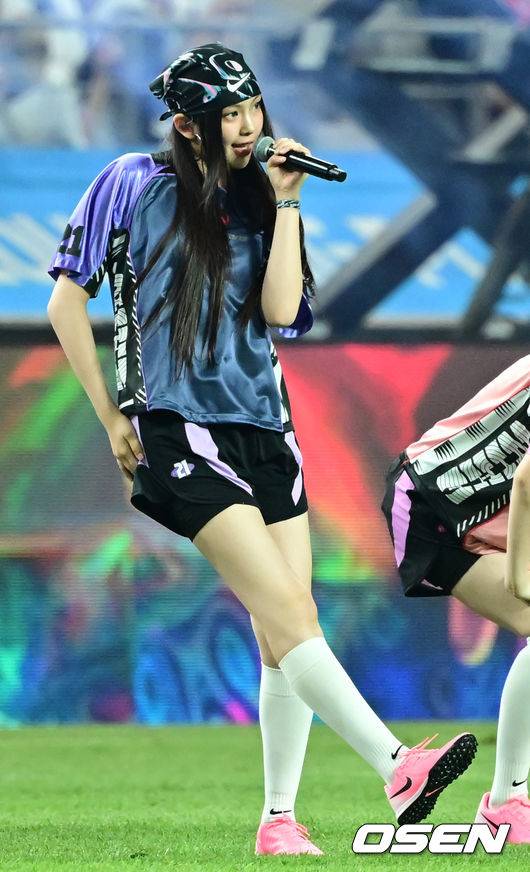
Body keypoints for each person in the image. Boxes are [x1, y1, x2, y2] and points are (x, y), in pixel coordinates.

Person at [47, 42, 476, 857]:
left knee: (282, 634)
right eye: (229, 115)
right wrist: (109, 417)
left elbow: (282, 313)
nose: (248, 127)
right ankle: (397, 767)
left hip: (268, 432)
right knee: (290, 612)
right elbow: (67, 303)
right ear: (188, 125)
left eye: (253, 109)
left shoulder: (260, 196)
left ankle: (279, 820)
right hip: (177, 426)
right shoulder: (131, 181)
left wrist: (286, 201)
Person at [382, 354, 530, 844]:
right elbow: (526, 480)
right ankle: (506, 805)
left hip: (476, 512)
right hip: (433, 506)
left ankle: (508, 804)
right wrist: (521, 575)